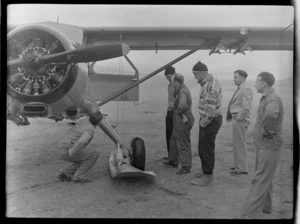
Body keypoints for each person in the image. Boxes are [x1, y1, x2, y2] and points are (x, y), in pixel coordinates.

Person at [242, 72, 284, 218]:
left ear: (264, 84)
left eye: (257, 81)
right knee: (266, 176)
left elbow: (271, 114)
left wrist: (266, 130)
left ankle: (249, 213)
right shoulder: (267, 97)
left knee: (260, 178)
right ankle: (266, 208)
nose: (254, 84)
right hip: (264, 143)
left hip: (270, 143)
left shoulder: (273, 99)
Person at [190, 61, 223, 186]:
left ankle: (208, 176)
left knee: (205, 149)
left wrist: (203, 123)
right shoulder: (211, 82)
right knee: (205, 148)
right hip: (211, 119)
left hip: (210, 120)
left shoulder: (209, 87)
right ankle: (206, 172)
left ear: (201, 74)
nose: (195, 77)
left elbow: (210, 109)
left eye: (195, 74)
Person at [55, 111, 103, 183]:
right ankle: (80, 176)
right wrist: (73, 153)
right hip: (67, 150)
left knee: (84, 155)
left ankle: (65, 174)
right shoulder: (90, 129)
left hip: (61, 147)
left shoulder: (84, 120)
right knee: (94, 153)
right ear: (99, 122)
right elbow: (81, 142)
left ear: (89, 117)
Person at [163, 73, 194, 175]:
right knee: (174, 139)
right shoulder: (181, 89)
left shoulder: (183, 92)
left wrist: (179, 113)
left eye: (173, 83)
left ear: (177, 82)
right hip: (179, 119)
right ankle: (173, 160)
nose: (172, 85)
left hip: (183, 119)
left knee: (183, 142)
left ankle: (186, 166)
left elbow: (183, 105)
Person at [226, 70, 253, 175]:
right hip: (238, 119)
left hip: (240, 120)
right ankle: (239, 165)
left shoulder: (246, 89)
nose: (234, 79)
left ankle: (241, 168)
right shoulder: (241, 88)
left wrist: (237, 118)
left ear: (242, 78)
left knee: (240, 144)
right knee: (238, 144)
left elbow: (246, 108)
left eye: (236, 77)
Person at [163, 66, 176, 160]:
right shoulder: (170, 85)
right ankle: (170, 155)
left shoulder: (177, 85)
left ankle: (174, 157)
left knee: (173, 135)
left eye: (169, 77)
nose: (168, 79)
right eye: (167, 77)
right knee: (168, 134)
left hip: (175, 112)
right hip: (170, 111)